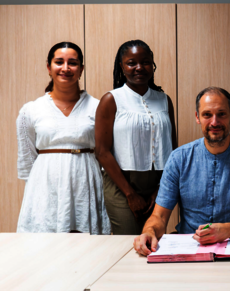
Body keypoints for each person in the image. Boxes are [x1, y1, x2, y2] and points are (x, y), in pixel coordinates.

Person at [134, 87, 230, 256]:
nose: (214, 122)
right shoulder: (179, 158)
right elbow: (159, 217)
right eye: (207, 115)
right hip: (189, 249)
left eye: (221, 114)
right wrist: (149, 231)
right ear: (197, 117)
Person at [16, 42, 110, 234]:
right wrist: (38, 192)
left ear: (81, 69)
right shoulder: (31, 110)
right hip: (45, 187)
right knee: (44, 244)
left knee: (88, 245)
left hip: (86, 185)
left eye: (72, 63)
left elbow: (106, 153)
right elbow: (27, 161)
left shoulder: (98, 107)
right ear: (49, 67)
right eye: (59, 62)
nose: (65, 68)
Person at [95, 40, 177, 235]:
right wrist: (130, 194)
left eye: (145, 62)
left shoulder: (164, 100)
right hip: (121, 184)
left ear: (152, 65)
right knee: (129, 240)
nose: (139, 67)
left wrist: (161, 189)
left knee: (155, 239)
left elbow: (173, 149)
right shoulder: (111, 99)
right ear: (122, 67)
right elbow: (102, 151)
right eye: (131, 63)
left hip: (158, 184)